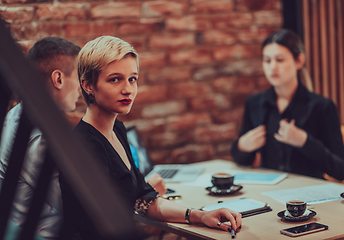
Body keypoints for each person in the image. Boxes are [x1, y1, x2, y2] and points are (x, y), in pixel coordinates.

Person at [59, 36, 242, 240]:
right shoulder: (85, 145)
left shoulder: (117, 130)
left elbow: (143, 199)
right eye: (115, 79)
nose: (128, 89)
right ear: (88, 86)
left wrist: (200, 215)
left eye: (132, 78)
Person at [231, 29, 344, 181]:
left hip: (309, 194)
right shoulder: (254, 103)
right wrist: (242, 146)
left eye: (279, 60)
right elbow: (242, 160)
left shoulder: (322, 106)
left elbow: (341, 170)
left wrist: (304, 141)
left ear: (299, 61)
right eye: (267, 60)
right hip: (269, 191)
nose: (272, 67)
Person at [0, 37, 81, 239]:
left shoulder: (18, 114)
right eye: (79, 77)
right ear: (59, 79)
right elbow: (75, 206)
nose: (82, 88)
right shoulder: (38, 136)